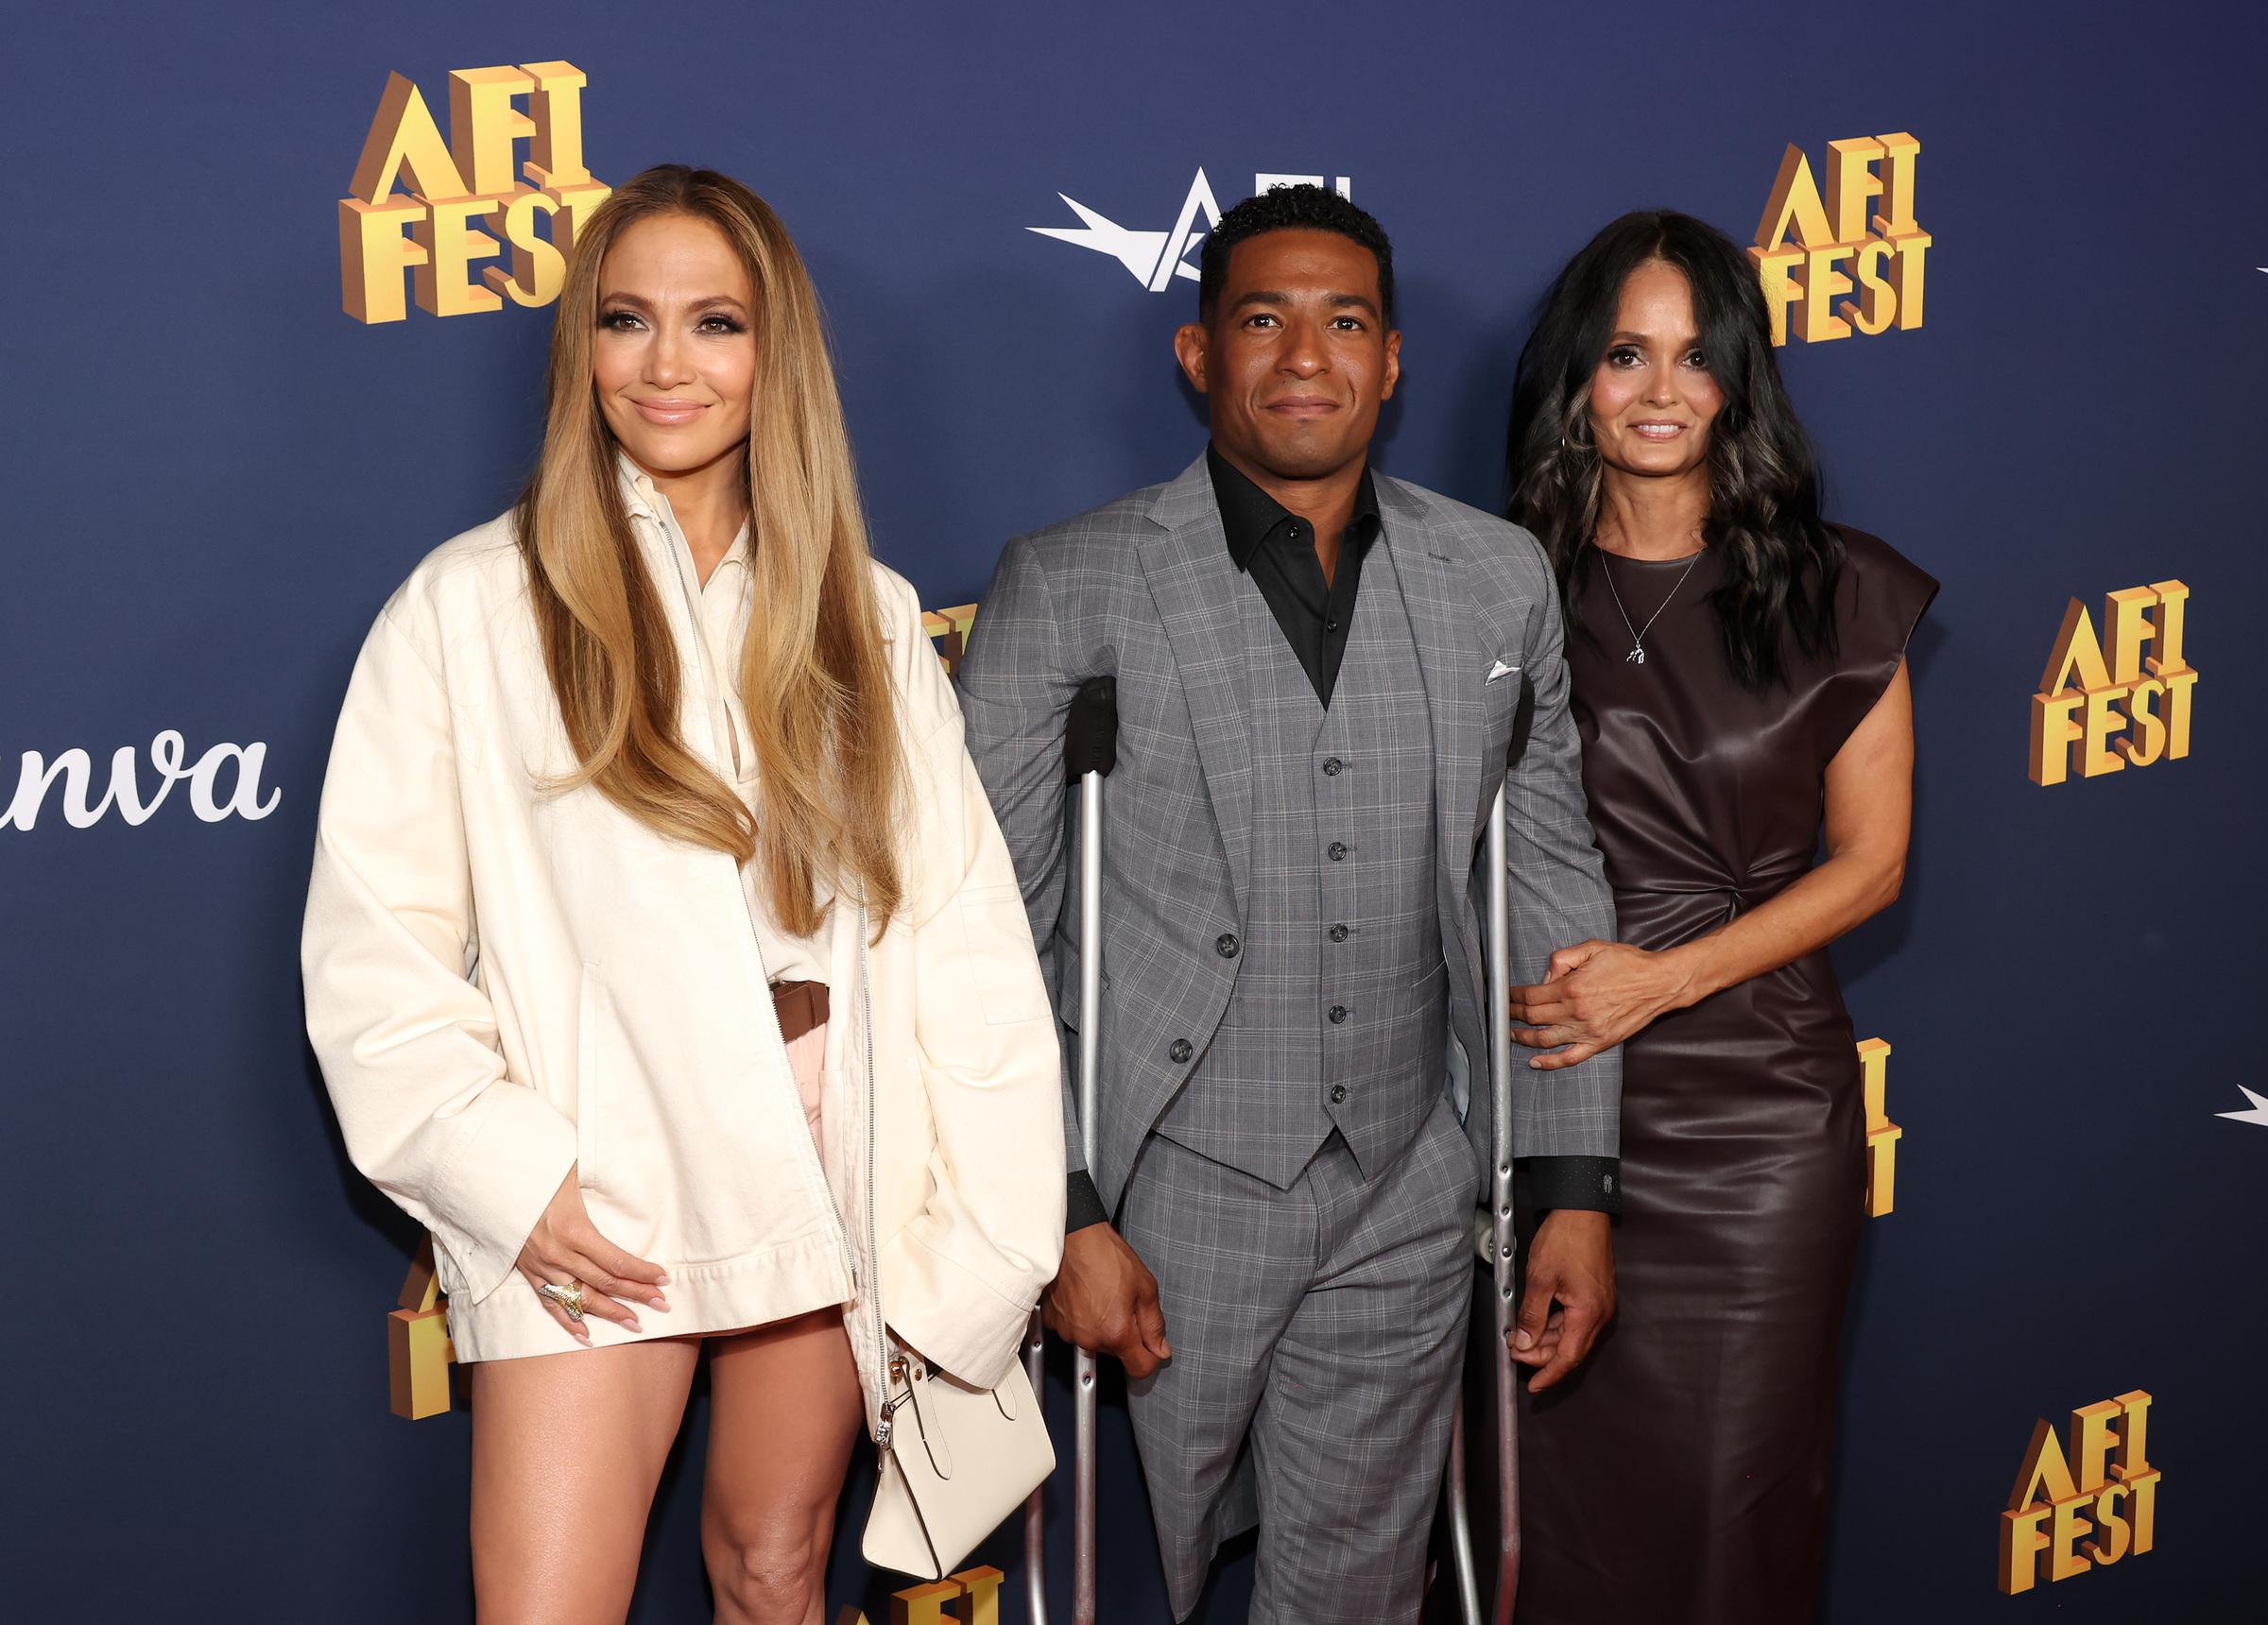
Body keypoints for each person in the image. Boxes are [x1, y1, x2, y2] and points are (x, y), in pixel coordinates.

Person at [301, 165, 1065, 1625]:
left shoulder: (869, 611)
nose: (667, 365)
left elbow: (961, 930)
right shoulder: (473, 605)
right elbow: (374, 943)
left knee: (775, 1573)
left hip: (823, 1172)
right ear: (577, 349)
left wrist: (980, 1231)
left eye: (715, 323)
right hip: (606, 1195)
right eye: (625, 320)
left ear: (773, 355)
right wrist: (503, 1175)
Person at [956, 184, 1622, 1625]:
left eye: (1344, 322)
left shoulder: (1495, 581)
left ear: (1391, 361)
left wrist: (1569, 1183)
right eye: (1262, 318)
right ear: (1198, 353)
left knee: (1352, 1595)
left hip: (1403, 1177)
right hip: (1168, 1189)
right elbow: (985, 927)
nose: (1305, 356)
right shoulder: (1068, 585)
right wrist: (1057, 1207)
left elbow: (1549, 886)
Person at [1501, 210, 1937, 1624]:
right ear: (1578, 378)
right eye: (1626, 354)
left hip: (1753, 1129)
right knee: (1535, 1524)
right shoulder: (1493, 587)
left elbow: (1870, 867)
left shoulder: (1833, 587)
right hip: (1541, 1099)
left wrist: (1660, 983)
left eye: (1697, 359)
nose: (1662, 391)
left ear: (1739, 384)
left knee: (1726, 1518)